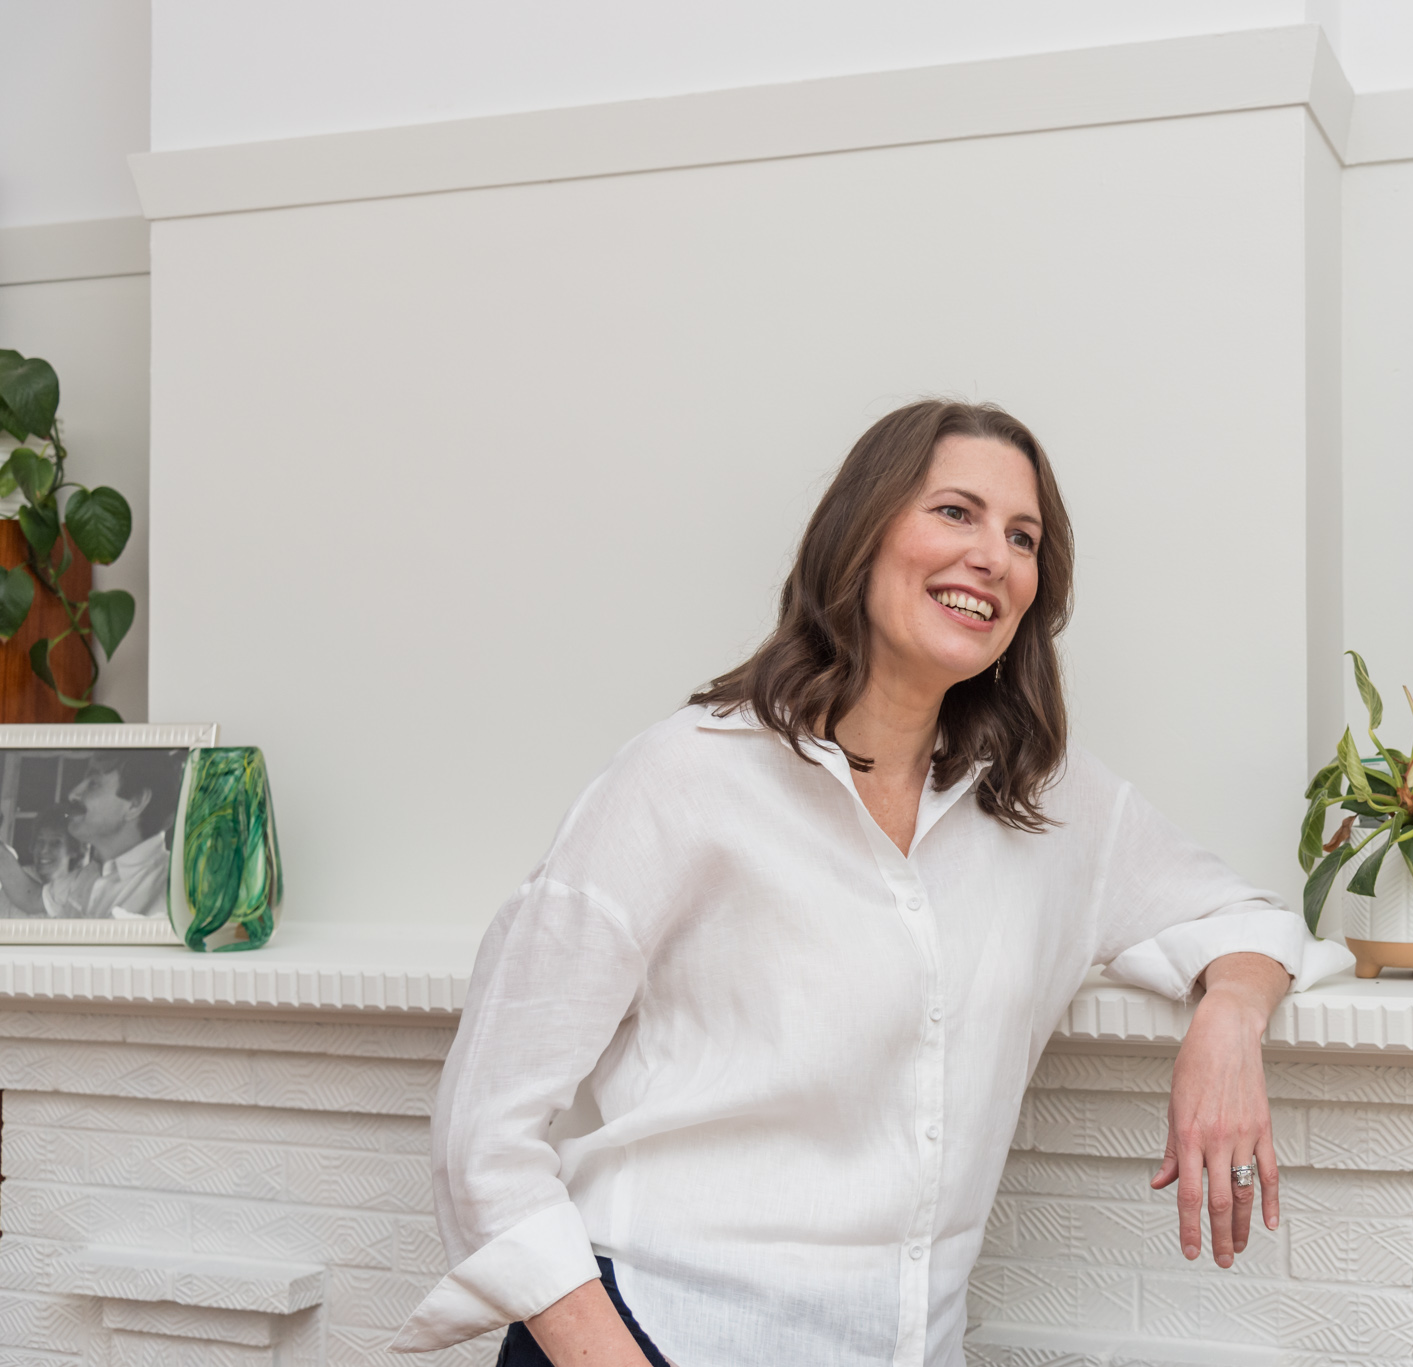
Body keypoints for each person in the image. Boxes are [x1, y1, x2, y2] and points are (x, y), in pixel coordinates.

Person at [393, 401, 1344, 1367]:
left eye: (1024, 537)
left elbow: (1245, 919)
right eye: (955, 513)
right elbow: (484, 1131)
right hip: (656, 1335)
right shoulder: (682, 778)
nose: (994, 557)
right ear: (864, 532)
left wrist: (1229, 1018)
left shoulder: (1045, 804)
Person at [0, 750, 183, 920]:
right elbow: (31, 898)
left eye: (93, 784)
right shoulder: (90, 875)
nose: (73, 794)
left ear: (135, 803)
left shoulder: (178, 891)